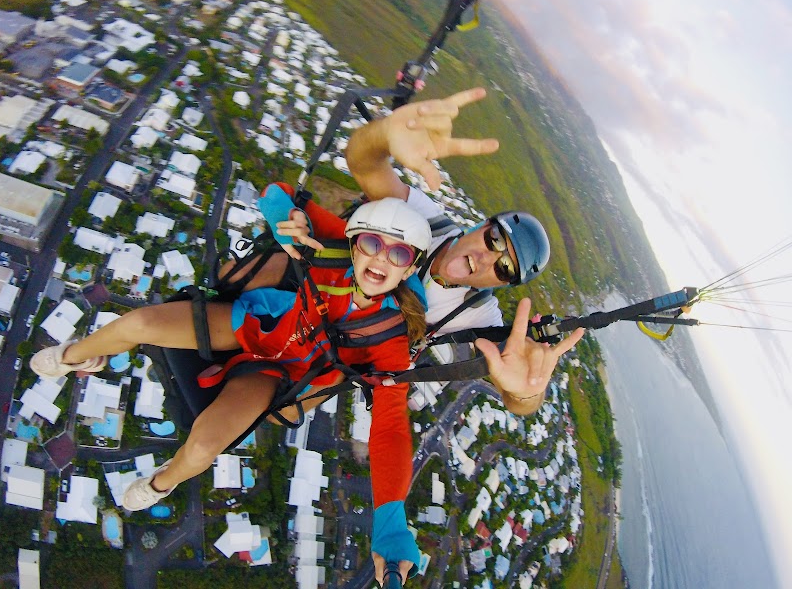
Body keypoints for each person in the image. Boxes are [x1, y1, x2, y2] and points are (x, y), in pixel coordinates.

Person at [30, 191, 429, 581]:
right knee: (140, 324)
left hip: (280, 373)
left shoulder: (390, 339)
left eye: (399, 254)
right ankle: (75, 356)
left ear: (409, 269)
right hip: (259, 326)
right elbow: (280, 193)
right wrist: (282, 221)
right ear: (355, 243)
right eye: (372, 243)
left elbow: (390, 428)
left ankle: (160, 483)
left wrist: (391, 523)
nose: (381, 257)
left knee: (204, 446)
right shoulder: (332, 251)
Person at [221, 87, 585, 419]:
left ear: (502, 284)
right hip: (329, 288)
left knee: (278, 412)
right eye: (493, 240)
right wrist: (383, 137)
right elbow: (366, 164)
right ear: (478, 226)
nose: (489, 258)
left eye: (504, 268)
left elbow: (513, 392)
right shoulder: (430, 220)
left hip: (353, 347)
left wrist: (524, 393)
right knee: (236, 278)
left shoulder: (476, 314)